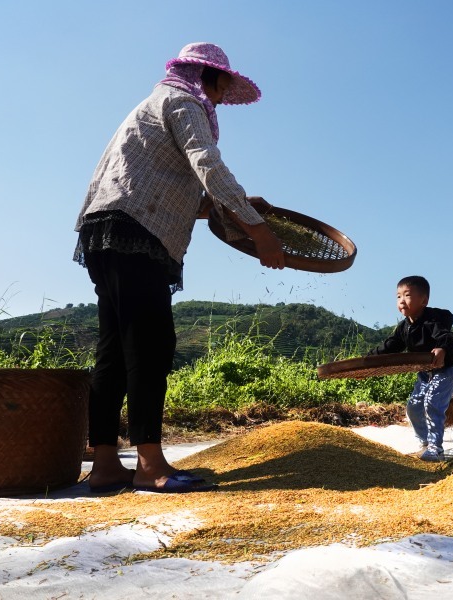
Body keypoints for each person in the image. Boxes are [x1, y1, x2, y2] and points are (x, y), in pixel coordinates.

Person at [73, 42, 285, 494]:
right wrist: (259, 229)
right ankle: (150, 464)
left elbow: (177, 189)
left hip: (107, 230)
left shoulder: (155, 104)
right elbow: (206, 163)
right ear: (207, 75)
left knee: (114, 349)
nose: (227, 93)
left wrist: (242, 205)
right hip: (135, 234)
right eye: (224, 83)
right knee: (151, 344)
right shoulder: (184, 101)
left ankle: (106, 464)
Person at [370, 276, 453, 461]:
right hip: (424, 372)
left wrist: (442, 348)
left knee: (432, 403)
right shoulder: (404, 328)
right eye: (398, 296)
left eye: (407, 295)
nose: (401, 300)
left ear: (424, 301)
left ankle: (436, 449)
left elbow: (447, 337)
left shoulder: (433, 320)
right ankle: (425, 440)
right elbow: (390, 347)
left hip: (445, 370)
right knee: (413, 406)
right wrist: (368, 360)